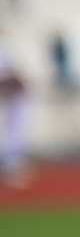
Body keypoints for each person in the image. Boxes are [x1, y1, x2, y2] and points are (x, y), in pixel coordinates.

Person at [0, 35, 29, 187]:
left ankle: (11, 161)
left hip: (9, 92)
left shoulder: (3, 45)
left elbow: (10, 71)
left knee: (14, 125)